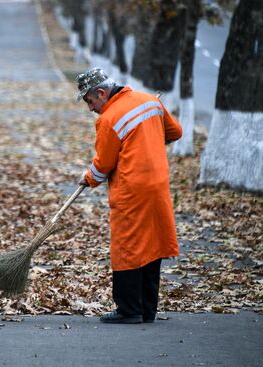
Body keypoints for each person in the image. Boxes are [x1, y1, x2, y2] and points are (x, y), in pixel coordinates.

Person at [76, 67, 182, 324]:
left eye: (90, 102)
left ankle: (129, 309)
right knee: (152, 243)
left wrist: (87, 178)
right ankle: (148, 309)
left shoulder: (109, 119)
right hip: (157, 185)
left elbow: (103, 165)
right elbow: (175, 132)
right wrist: (148, 139)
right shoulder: (150, 101)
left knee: (127, 245)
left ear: (101, 93)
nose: (91, 109)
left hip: (131, 189)